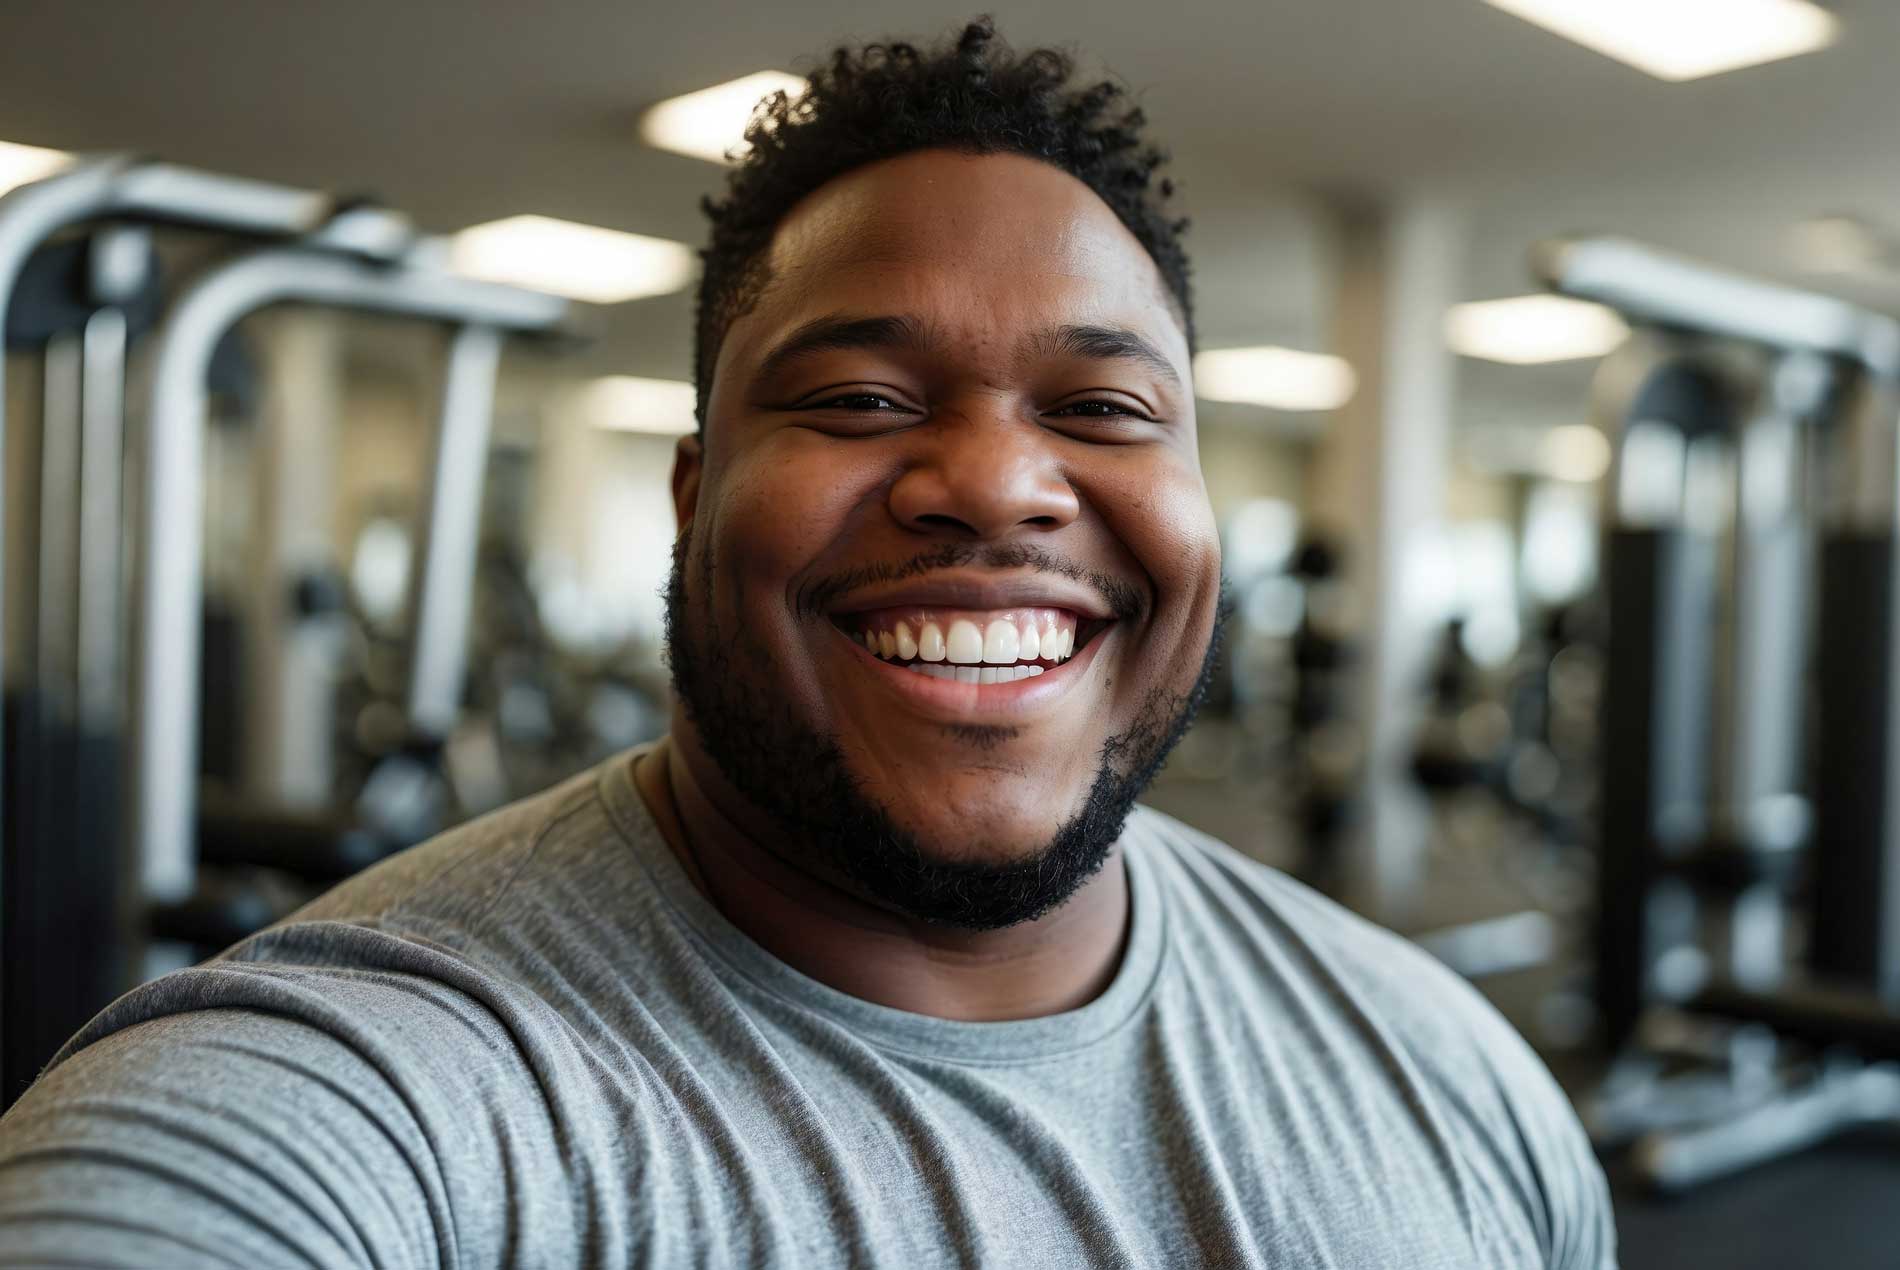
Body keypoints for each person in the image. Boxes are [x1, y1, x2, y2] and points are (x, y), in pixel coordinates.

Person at [0, 19, 1615, 1268]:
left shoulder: (1451, 1073)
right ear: (695, 493)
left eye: (1105, 409)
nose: (994, 481)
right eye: (858, 399)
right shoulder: (360, 1099)